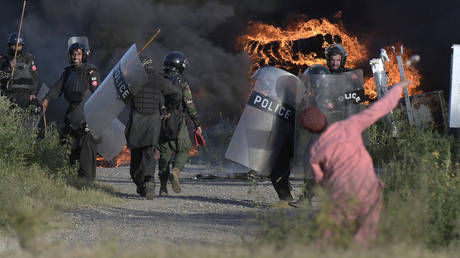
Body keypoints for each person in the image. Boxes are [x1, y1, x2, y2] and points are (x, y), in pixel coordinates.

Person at [303, 80, 411, 247]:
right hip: (369, 191)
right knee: (365, 238)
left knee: (329, 238)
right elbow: (379, 108)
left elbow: (321, 182)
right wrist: (397, 88)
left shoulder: (314, 152)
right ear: (324, 118)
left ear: (309, 130)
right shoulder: (349, 126)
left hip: (341, 198)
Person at [40, 40, 100, 181]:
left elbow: (97, 93)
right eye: (73, 54)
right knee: (68, 144)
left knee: (86, 147)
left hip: (87, 113)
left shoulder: (91, 72)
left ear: (84, 56)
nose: (75, 57)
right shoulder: (67, 73)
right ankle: (71, 176)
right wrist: (47, 99)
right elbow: (57, 88)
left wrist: (91, 118)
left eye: (78, 54)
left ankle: (86, 180)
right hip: (71, 113)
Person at [125, 56, 181, 199]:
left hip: (136, 123)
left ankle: (140, 183)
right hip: (153, 123)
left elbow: (120, 97)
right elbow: (177, 93)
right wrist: (169, 109)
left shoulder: (132, 80)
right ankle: (149, 180)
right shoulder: (159, 79)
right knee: (149, 153)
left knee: (136, 157)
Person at [158, 51, 201, 196]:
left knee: (164, 153)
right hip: (178, 122)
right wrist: (196, 123)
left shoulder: (157, 80)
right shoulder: (182, 84)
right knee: (184, 147)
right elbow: (189, 105)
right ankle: (175, 172)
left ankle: (163, 188)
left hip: (160, 121)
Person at [0, 33, 38, 108]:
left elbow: (34, 78)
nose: (16, 48)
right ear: (9, 46)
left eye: (19, 46)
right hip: (9, 98)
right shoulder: (3, 60)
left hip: (26, 98)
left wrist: (33, 93)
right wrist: (9, 67)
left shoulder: (29, 59)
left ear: (22, 46)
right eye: (14, 45)